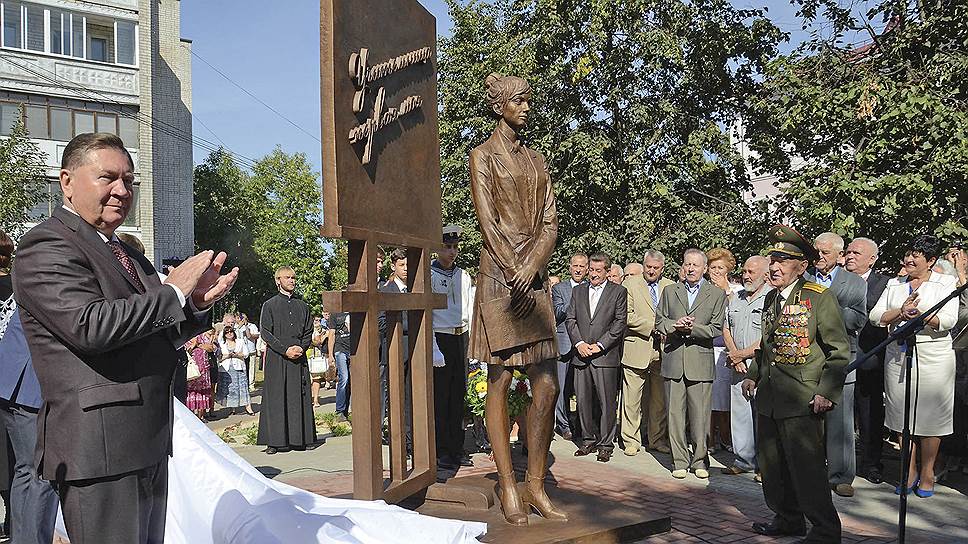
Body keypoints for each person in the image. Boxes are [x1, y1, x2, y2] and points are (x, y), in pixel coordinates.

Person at [12, 132, 238, 543]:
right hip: (100, 450)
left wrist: (194, 305)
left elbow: (152, 331)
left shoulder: (129, 254)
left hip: (147, 440)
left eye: (129, 181)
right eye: (107, 178)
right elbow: (90, 327)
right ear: (66, 181)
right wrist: (173, 292)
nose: (121, 190)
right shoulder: (45, 245)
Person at [468, 73, 564, 525]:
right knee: (502, 380)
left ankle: (536, 483)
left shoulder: (538, 160)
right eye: (520, 101)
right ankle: (507, 482)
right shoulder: (482, 156)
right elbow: (487, 221)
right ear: (500, 106)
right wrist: (513, 268)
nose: (527, 107)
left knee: (547, 384)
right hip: (498, 277)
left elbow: (551, 221)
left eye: (528, 101)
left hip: (533, 275)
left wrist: (532, 266)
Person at [742, 224, 848, 542]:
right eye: (773, 260)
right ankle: (788, 518)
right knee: (772, 466)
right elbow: (768, 345)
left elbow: (838, 351)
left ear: (801, 266)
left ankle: (826, 530)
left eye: (782, 262)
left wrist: (826, 391)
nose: (774, 267)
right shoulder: (772, 298)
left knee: (808, 469)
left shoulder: (819, 298)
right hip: (772, 398)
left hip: (803, 398)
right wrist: (752, 375)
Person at [869, 234, 960, 497]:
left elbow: (949, 319)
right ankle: (907, 471)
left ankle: (928, 471)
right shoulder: (894, 284)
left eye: (916, 255)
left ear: (931, 261)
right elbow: (876, 316)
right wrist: (900, 311)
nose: (909, 259)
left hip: (934, 358)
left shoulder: (946, 283)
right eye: (907, 253)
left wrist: (921, 315)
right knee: (900, 414)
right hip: (898, 356)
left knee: (931, 417)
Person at [0, 229, 59, 544]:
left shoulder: (28, 272)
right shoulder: (49, 276)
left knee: (25, 472)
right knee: (40, 473)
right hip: (28, 387)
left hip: (11, 382)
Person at [804, 231, 868, 497]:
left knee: (840, 420)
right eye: (816, 251)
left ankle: (841, 475)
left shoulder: (854, 283)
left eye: (825, 252)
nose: (819, 256)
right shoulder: (804, 279)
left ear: (839, 255)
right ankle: (813, 471)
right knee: (810, 420)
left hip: (842, 358)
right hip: (808, 358)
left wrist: (825, 309)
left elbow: (857, 320)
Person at [657, 248, 726, 479]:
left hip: (700, 362)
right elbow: (660, 322)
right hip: (674, 359)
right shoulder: (669, 291)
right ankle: (678, 461)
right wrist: (676, 325)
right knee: (675, 415)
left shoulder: (716, 294)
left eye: (695, 265)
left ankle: (699, 460)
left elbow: (716, 328)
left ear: (705, 269)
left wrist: (692, 328)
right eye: (687, 264)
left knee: (700, 417)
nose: (690, 269)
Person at [566, 252, 628, 463]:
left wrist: (600, 345)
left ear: (608, 271)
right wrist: (580, 344)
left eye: (598, 271)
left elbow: (619, 323)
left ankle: (605, 444)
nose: (593, 274)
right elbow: (571, 319)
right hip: (581, 354)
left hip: (605, 356)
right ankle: (587, 440)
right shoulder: (579, 291)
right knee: (582, 400)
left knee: (606, 402)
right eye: (591, 270)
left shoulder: (618, 292)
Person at [845, 237, 891, 484]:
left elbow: (870, 311)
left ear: (872, 259)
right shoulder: (837, 280)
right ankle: (841, 462)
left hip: (868, 358)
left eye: (856, 252)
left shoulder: (884, 283)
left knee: (870, 415)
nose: (850, 256)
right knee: (840, 415)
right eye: (848, 251)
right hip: (840, 358)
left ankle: (871, 463)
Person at [620, 250, 674, 456]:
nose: (651, 271)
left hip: (662, 351)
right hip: (637, 346)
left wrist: (667, 328)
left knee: (659, 401)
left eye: (655, 268)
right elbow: (627, 315)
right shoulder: (630, 284)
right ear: (644, 265)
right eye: (648, 267)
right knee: (631, 400)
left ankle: (656, 439)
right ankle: (630, 440)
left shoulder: (670, 286)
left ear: (662, 268)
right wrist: (654, 326)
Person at [721, 256, 771, 476]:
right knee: (740, 414)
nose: (746, 275)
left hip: (760, 365)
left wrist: (741, 355)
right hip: (737, 365)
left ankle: (764, 465)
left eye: (752, 272)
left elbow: (768, 336)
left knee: (762, 415)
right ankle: (743, 461)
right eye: (745, 271)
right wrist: (735, 356)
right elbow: (726, 328)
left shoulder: (772, 298)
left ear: (765, 274)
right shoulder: (737, 298)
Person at [257, 267, 315, 454]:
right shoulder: (269, 305)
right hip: (277, 357)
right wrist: (285, 350)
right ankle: (275, 442)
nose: (291, 280)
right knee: (277, 397)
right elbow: (266, 332)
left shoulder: (303, 306)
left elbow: (308, 331)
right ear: (278, 281)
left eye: (293, 277)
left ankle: (301, 439)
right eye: (287, 277)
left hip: (298, 357)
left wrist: (301, 347)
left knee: (298, 396)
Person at [431, 225, 475, 469]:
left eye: (455, 247)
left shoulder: (464, 275)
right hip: (440, 337)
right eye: (447, 247)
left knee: (459, 395)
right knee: (441, 397)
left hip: (460, 336)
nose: (452, 252)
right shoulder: (429, 274)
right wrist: (433, 346)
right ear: (438, 248)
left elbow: (468, 309)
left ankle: (457, 447)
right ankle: (441, 450)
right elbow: (427, 314)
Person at [551, 253, 588, 441]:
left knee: (582, 389)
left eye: (582, 266)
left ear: (587, 268)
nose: (578, 269)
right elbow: (556, 313)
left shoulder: (592, 288)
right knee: (562, 388)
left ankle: (583, 426)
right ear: (570, 267)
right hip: (564, 343)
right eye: (575, 266)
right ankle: (564, 425)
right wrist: (574, 301)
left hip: (585, 344)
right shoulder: (559, 288)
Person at [706, 247, 738, 453]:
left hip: (728, 351)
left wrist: (724, 291)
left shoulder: (737, 291)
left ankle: (727, 436)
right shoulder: (701, 290)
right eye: (712, 267)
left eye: (720, 267)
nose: (716, 271)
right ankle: (708, 439)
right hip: (707, 347)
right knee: (708, 397)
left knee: (725, 398)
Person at [216, 327, 253, 416]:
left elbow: (246, 354)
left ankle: (248, 407)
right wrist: (227, 356)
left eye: (231, 332)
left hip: (239, 367)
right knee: (230, 390)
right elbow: (219, 357)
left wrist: (237, 355)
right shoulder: (222, 344)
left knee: (243, 388)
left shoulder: (240, 341)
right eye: (227, 332)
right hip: (226, 369)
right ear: (224, 335)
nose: (229, 333)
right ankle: (233, 408)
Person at [185, 331, 216, 420]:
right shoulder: (185, 336)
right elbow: (186, 350)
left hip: (203, 368)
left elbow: (210, 348)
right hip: (191, 369)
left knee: (202, 392)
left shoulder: (202, 335)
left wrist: (198, 344)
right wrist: (195, 344)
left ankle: (200, 416)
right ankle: (190, 416)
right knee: (190, 392)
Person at [238, 313, 261, 392]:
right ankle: (242, 384)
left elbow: (253, 336)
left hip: (251, 350)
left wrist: (246, 327)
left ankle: (251, 384)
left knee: (251, 368)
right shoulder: (237, 327)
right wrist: (240, 326)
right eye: (241, 318)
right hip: (241, 352)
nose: (242, 320)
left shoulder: (252, 326)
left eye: (244, 318)